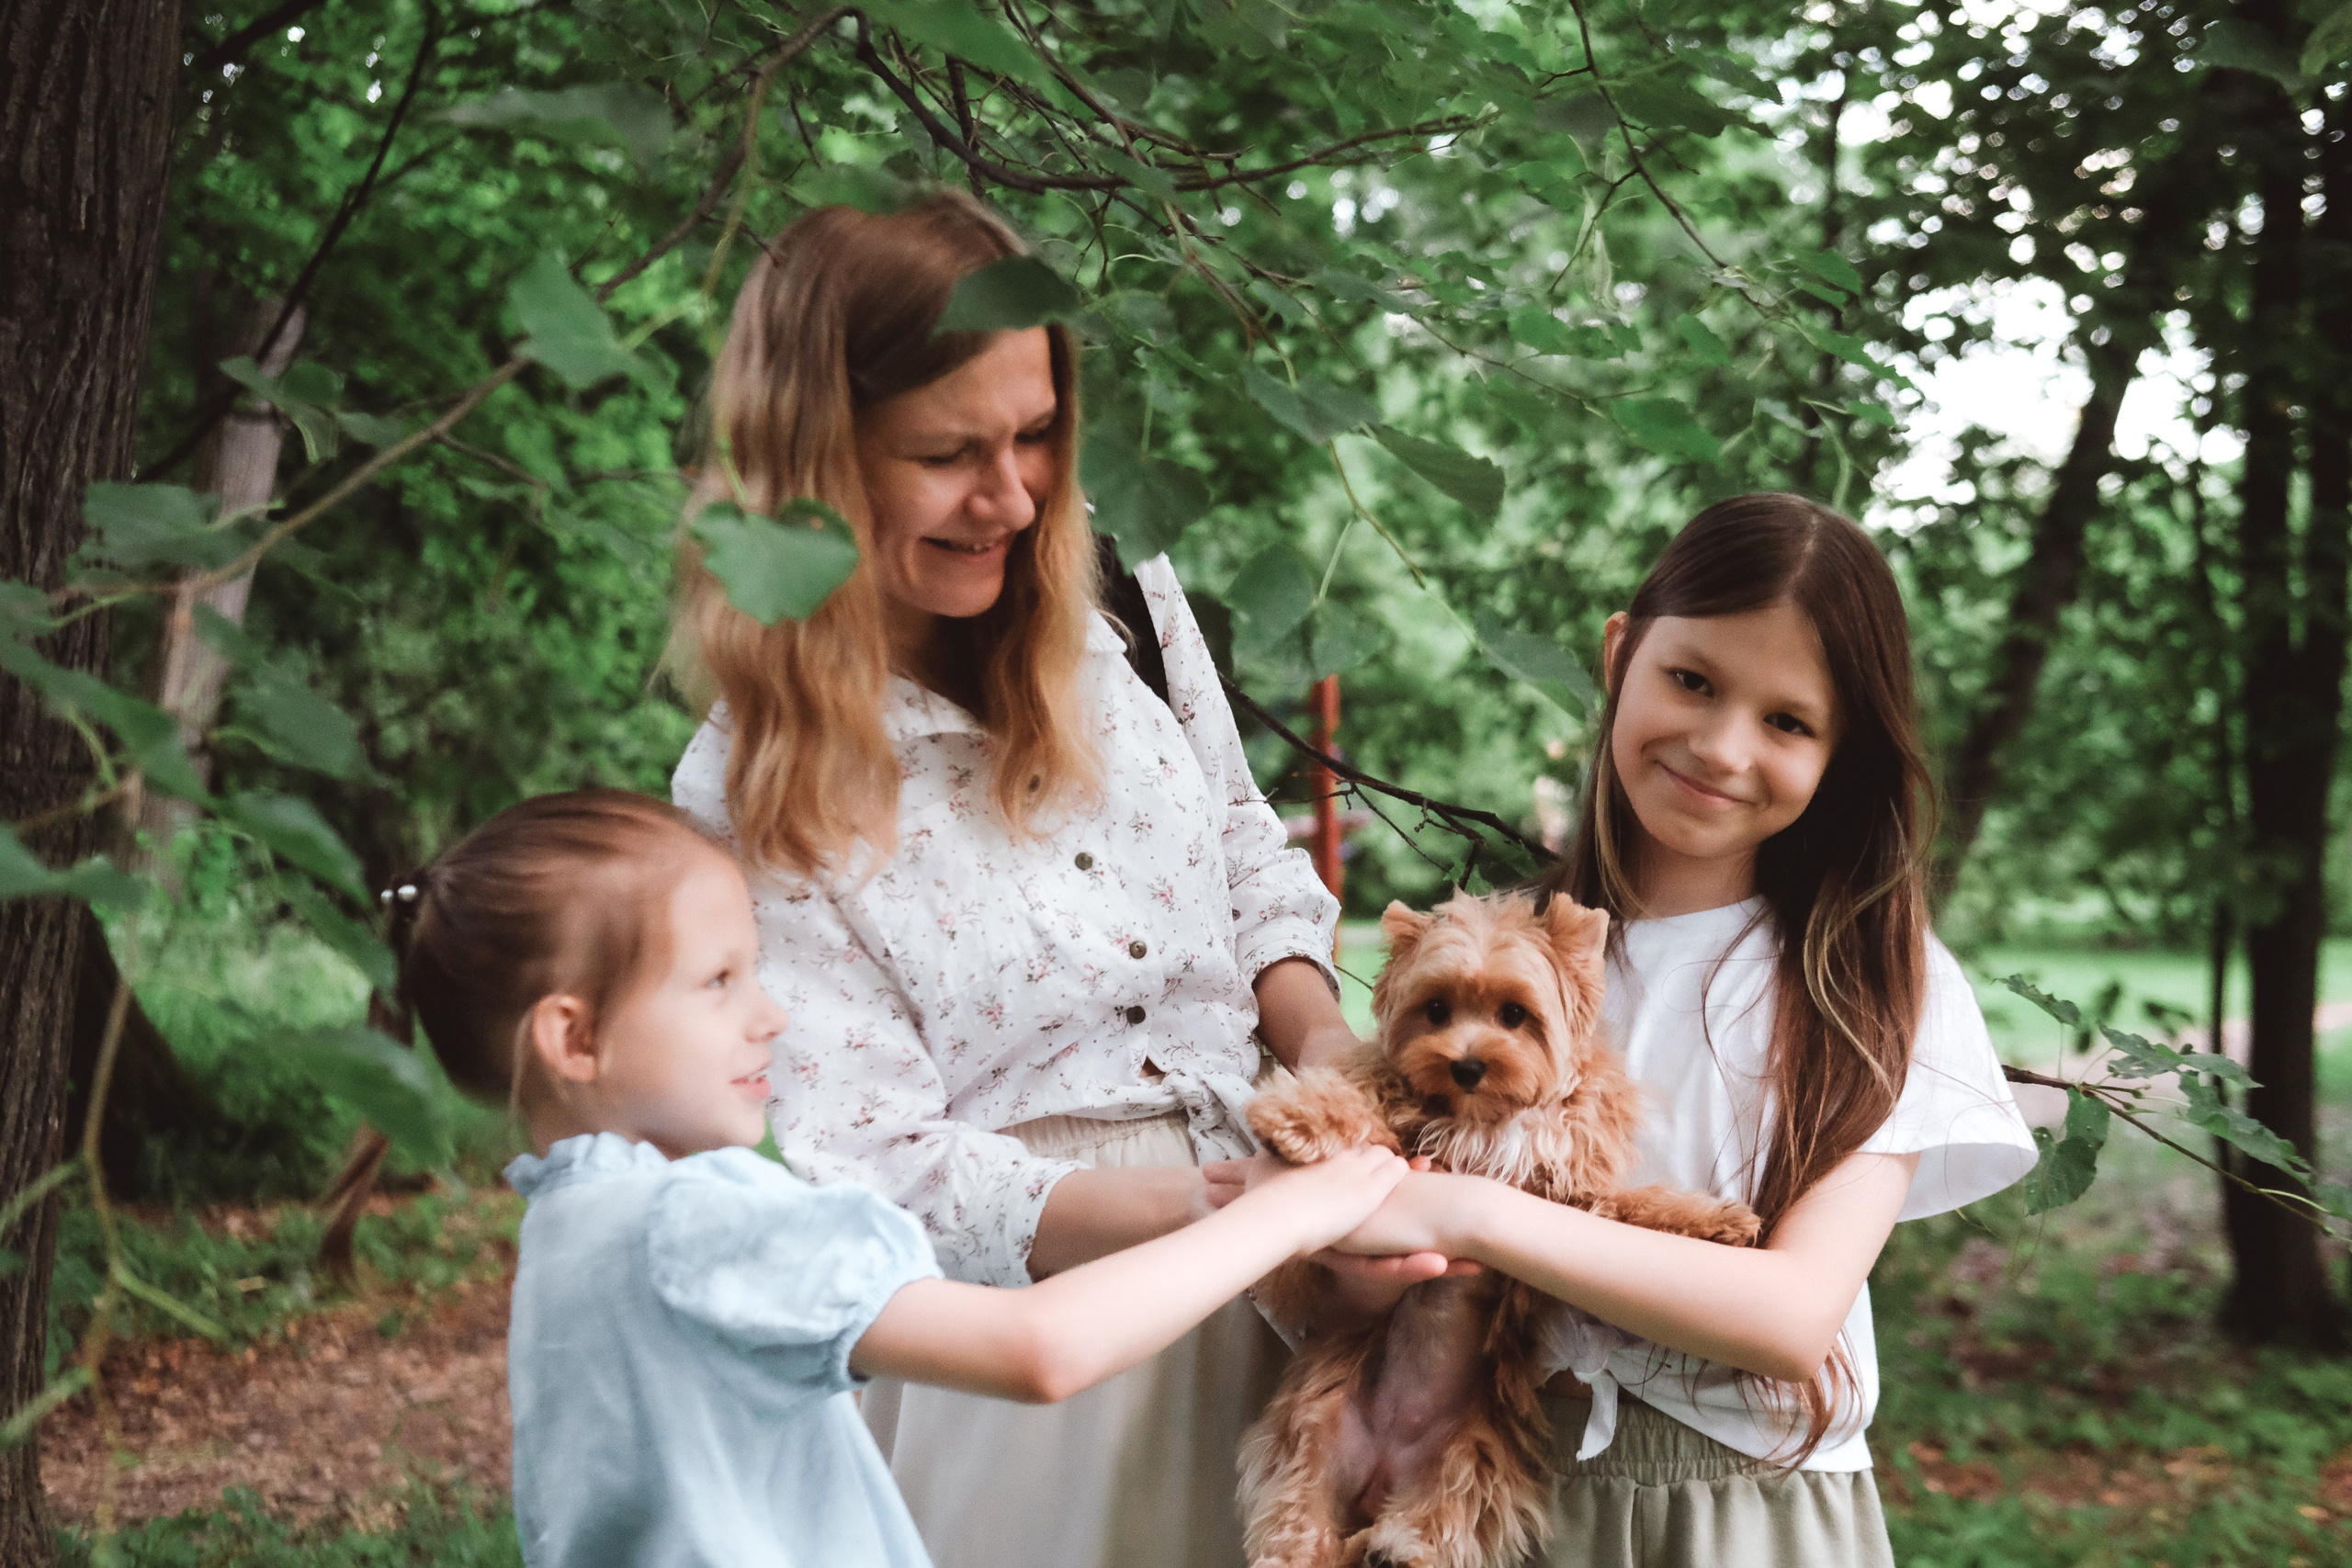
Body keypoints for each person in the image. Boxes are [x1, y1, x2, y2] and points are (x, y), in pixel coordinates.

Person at [665, 188, 1405, 1567]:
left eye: (1037, 434)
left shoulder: (1126, 604)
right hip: (1039, 1358)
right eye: (947, 453)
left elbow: (1249, 849)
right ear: (813, 457)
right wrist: (1233, 1214)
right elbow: (871, 1166)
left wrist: (1335, 1076)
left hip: (1293, 1301)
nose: (1010, 495)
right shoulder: (748, 787)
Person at [383, 788, 1409, 1568]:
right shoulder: (691, 1224)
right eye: (718, 982)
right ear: (574, 1037)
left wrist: (1212, 1195)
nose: (769, 1015)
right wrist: (1286, 1216)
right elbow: (1037, 1350)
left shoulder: (573, 1227)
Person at [1301, 495, 2040, 1567]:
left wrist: (1470, 1215)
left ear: (1842, 752)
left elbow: (1789, 1318)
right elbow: (1362, 1251)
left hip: (1746, 1514)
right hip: (1493, 1483)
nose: (1720, 746)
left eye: (1787, 721)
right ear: (1619, 655)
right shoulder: (1497, 972)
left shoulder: (1873, 980)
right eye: (1690, 681)